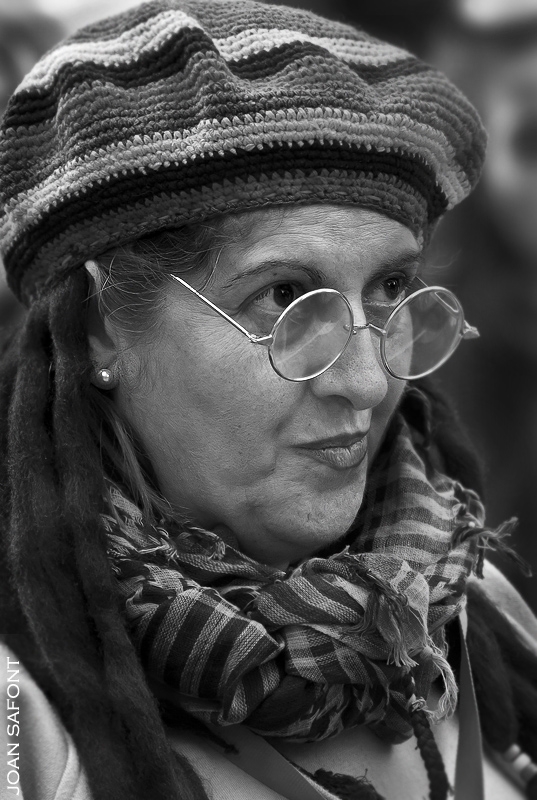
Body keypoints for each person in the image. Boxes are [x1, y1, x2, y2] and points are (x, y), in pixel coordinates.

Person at [0, 1, 536, 799]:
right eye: (284, 296)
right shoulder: (24, 721)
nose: (366, 381)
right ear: (100, 327)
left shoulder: (466, 602)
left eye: (391, 287)